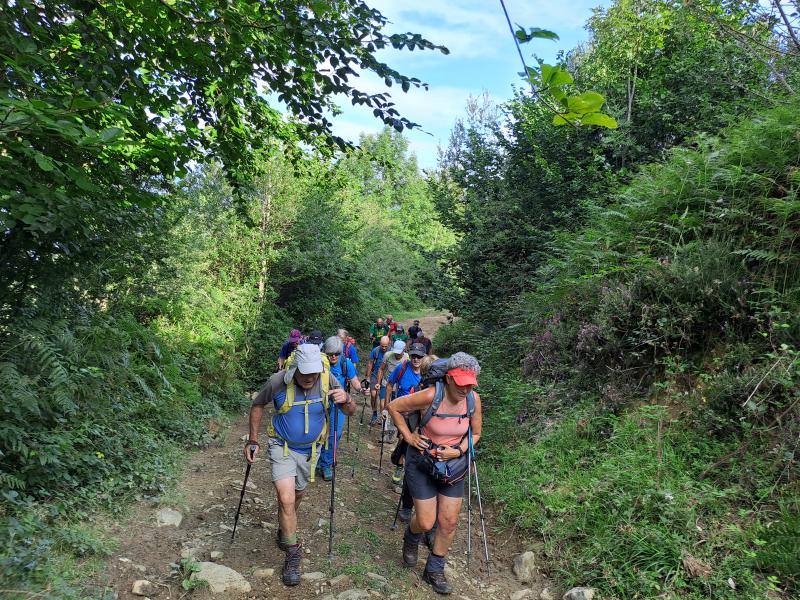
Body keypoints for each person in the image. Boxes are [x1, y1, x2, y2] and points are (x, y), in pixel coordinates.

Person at [245, 344, 356, 586]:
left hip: (311, 451)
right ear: (295, 368)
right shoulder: (278, 381)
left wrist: (346, 399)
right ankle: (293, 553)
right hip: (281, 447)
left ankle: (285, 529)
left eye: (313, 372)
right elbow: (257, 405)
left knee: (295, 497)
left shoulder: (329, 380)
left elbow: (351, 411)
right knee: (286, 500)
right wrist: (253, 439)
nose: (309, 377)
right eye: (304, 372)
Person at [387, 353, 483, 595]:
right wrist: (408, 437)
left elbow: (476, 434)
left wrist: (458, 450)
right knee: (427, 521)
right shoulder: (431, 395)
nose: (466, 389)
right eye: (461, 383)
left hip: (452, 465)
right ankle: (412, 536)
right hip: (422, 461)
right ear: (449, 379)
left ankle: (434, 568)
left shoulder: (473, 400)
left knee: (449, 522)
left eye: (470, 383)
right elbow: (394, 407)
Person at [317, 336, 362, 481]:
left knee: (334, 435)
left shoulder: (345, 363)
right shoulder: (319, 361)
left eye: (336, 353)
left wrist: (362, 389)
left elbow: (355, 382)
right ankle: (317, 459)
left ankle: (326, 464)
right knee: (318, 432)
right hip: (320, 402)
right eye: (330, 354)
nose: (333, 357)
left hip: (338, 404)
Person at [385, 343, 425, 493]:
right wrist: (387, 406)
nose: (416, 359)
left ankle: (401, 466)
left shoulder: (427, 372)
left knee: (411, 443)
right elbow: (389, 385)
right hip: (402, 413)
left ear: (423, 357)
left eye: (419, 356)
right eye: (414, 356)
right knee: (405, 439)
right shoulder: (401, 368)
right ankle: (400, 469)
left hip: (419, 414)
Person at [375, 340, 408, 440]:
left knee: (395, 408)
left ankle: (392, 430)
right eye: (396, 352)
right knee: (383, 405)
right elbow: (381, 369)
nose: (397, 354)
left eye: (399, 352)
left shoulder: (407, 358)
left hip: (398, 386)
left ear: (403, 350)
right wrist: (378, 382)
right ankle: (384, 429)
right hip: (386, 382)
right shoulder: (388, 355)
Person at [366, 336, 390, 426]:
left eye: (385, 346)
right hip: (375, 375)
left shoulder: (391, 352)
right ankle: (374, 413)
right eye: (382, 346)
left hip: (386, 377)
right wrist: (368, 377)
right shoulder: (375, 351)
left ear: (389, 344)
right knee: (373, 394)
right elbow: (370, 363)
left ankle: (382, 417)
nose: (384, 348)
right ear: (380, 344)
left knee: (382, 400)